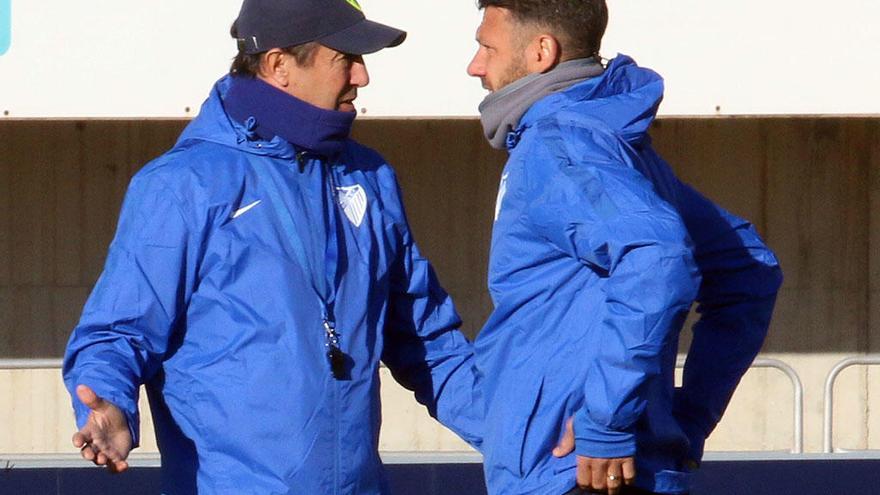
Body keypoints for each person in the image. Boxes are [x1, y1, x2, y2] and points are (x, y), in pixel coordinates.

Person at [62, 0, 480, 493]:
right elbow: (117, 332)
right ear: (279, 65)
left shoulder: (370, 176)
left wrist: (527, 431)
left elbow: (429, 343)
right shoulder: (184, 184)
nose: (363, 77)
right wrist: (109, 401)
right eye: (346, 58)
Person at [466, 1, 783, 494]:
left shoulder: (558, 145)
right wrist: (679, 421)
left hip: (574, 472)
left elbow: (658, 257)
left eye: (487, 47)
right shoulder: (615, 146)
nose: (475, 65)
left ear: (541, 52)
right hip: (613, 466)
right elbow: (749, 269)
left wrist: (608, 421)